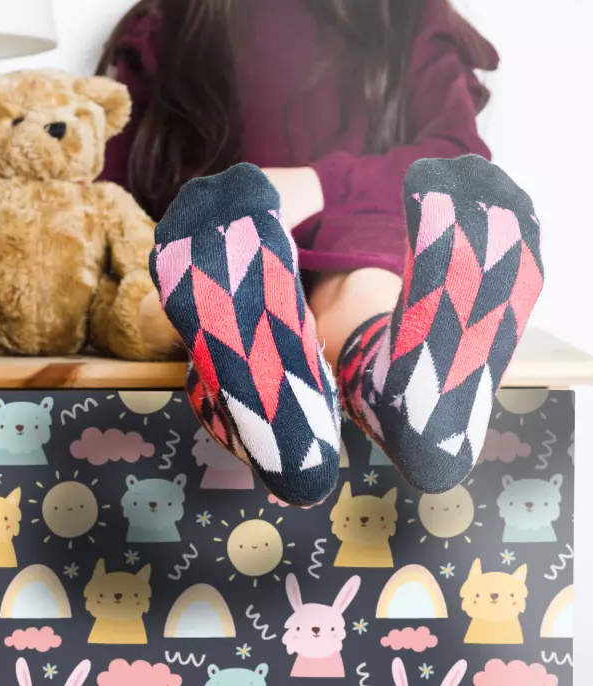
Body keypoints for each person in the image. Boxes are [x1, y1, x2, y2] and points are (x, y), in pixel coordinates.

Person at [98, 0, 544, 506]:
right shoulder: (167, 24)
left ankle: (286, 422)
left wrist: (316, 185)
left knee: (201, 301)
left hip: (312, 239)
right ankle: (400, 398)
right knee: (350, 291)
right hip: (225, 247)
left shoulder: (407, 15)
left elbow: (451, 158)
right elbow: (111, 193)